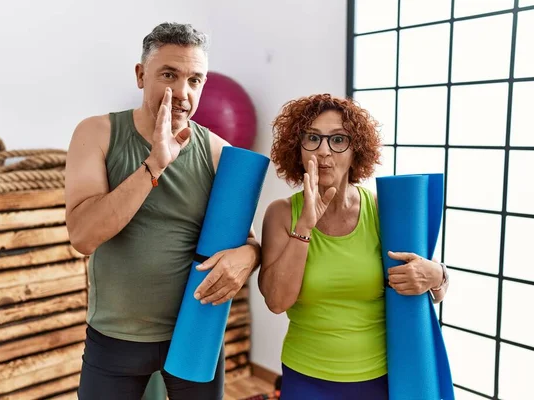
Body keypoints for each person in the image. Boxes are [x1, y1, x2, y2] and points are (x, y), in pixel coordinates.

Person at [65, 22, 261, 400]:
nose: (183, 93)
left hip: (194, 333)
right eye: (169, 75)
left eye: (195, 80)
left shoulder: (217, 151)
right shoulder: (97, 134)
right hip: (114, 337)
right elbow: (83, 236)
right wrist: (154, 165)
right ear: (141, 75)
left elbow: (251, 242)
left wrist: (249, 255)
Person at [258, 94, 450, 400]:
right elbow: (277, 302)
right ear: (298, 148)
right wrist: (304, 227)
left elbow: (432, 286)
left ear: (355, 150)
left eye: (338, 140)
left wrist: (437, 275)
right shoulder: (281, 213)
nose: (324, 151)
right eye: (312, 138)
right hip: (306, 374)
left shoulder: (381, 210)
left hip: (381, 376)